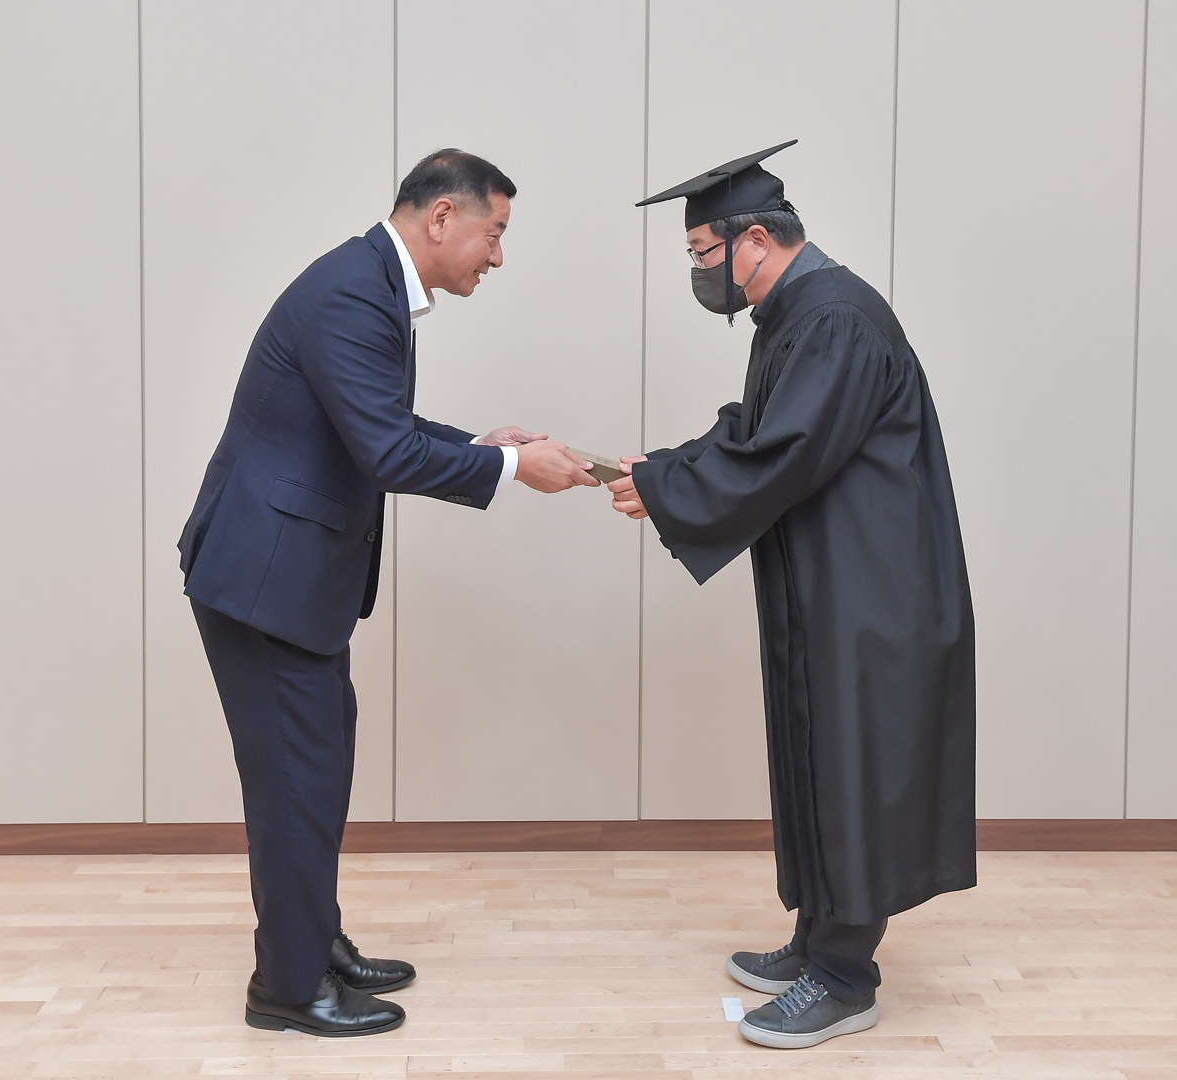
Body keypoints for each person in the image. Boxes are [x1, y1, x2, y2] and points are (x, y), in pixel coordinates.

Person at [177, 149, 599, 1038]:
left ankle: (311, 942)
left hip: (293, 582)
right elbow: (388, 452)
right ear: (442, 217)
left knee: (316, 773)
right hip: (263, 581)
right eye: (494, 233)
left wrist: (481, 445)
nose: (497, 255)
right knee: (295, 786)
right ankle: (286, 989)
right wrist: (512, 469)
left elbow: (380, 425)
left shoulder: (370, 283)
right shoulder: (352, 293)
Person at [610, 141, 977, 1049]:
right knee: (818, 753)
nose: (700, 271)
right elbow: (757, 430)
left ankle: (846, 979)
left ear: (755, 239)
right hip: (832, 581)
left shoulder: (836, 318)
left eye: (703, 252)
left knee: (852, 766)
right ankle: (818, 940)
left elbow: (786, 453)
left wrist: (667, 487)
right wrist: (664, 470)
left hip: (873, 593)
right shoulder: (796, 315)